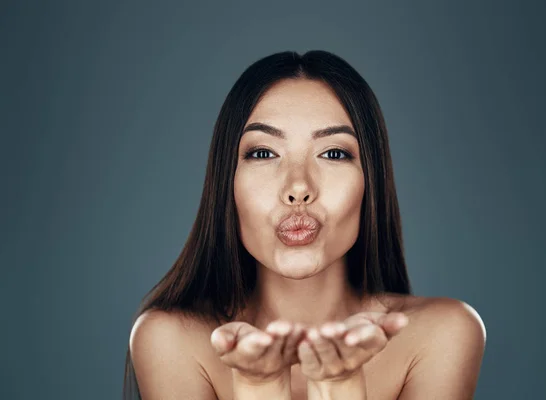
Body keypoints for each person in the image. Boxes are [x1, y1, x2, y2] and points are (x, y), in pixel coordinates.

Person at [122, 50, 486, 400]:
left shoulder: (442, 334)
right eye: (263, 153)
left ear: (370, 180)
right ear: (226, 182)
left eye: (334, 153)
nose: (298, 188)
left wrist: (339, 385)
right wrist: (258, 386)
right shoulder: (170, 339)